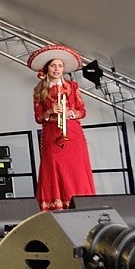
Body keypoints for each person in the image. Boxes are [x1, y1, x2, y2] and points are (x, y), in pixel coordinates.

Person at [28, 44, 96, 210]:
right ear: (47, 68)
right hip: (52, 133)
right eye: (53, 65)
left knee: (76, 169)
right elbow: (38, 118)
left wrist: (69, 112)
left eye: (60, 66)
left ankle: (79, 204)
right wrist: (50, 111)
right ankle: (56, 204)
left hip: (72, 132)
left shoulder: (72, 87)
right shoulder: (38, 90)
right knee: (54, 168)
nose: (57, 69)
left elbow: (82, 111)